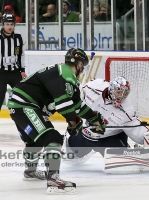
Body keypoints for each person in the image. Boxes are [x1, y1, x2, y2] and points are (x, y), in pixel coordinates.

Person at [7, 48, 106, 194]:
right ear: (78, 64)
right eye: (82, 65)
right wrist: (74, 123)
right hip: (25, 105)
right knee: (52, 137)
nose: (82, 69)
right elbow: (63, 105)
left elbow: (77, 105)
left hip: (20, 104)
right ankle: (53, 178)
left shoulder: (64, 74)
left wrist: (92, 117)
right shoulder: (65, 74)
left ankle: (30, 171)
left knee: (34, 141)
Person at [66, 77, 149, 162]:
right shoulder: (94, 87)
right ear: (111, 89)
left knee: (119, 159)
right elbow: (78, 92)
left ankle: (127, 150)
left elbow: (135, 128)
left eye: (125, 93)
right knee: (70, 155)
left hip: (108, 140)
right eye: (119, 92)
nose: (121, 97)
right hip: (85, 136)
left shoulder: (126, 110)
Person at [0, 14, 26, 111]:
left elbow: (20, 54)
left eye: (12, 24)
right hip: (1, 72)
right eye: (7, 24)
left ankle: (23, 118)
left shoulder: (18, 36)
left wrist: (22, 70)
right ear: (3, 24)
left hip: (15, 72)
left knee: (22, 95)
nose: (10, 26)